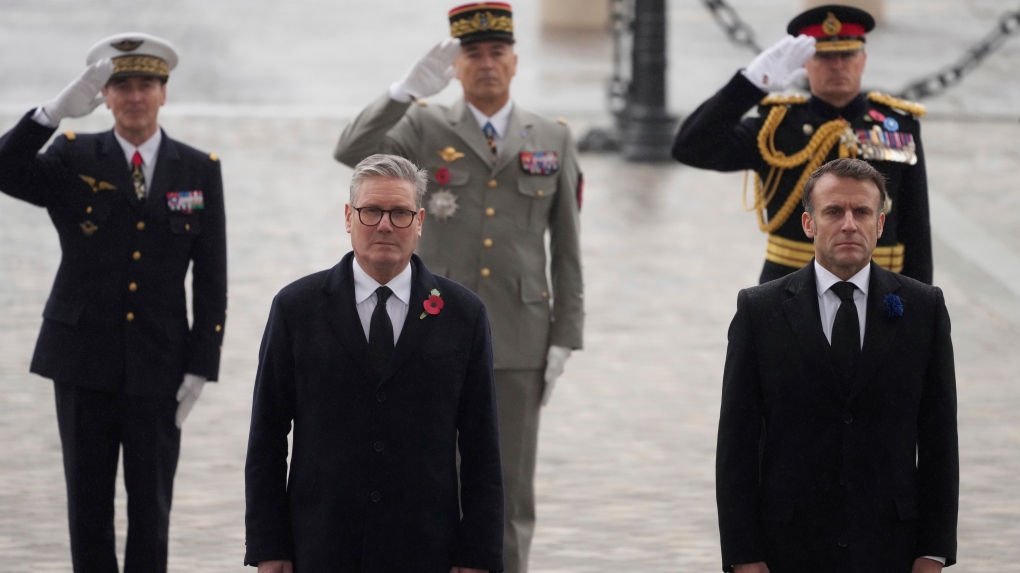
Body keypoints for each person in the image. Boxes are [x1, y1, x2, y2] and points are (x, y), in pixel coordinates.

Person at [333, 3, 584, 570]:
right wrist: (401, 92)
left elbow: (567, 248)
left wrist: (566, 333)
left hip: (519, 338)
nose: (487, 63)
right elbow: (351, 151)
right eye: (473, 54)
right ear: (456, 65)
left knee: (510, 488)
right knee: (421, 479)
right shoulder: (423, 127)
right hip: (430, 332)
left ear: (516, 61)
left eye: (498, 52)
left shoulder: (552, 137)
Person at [0, 32, 227, 572]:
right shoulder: (73, 155)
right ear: (104, 95)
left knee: (152, 506)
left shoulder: (197, 168)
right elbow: (5, 169)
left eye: (145, 83)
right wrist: (50, 113)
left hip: (160, 360)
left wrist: (202, 365)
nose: (133, 96)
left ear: (163, 93)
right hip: (80, 358)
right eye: (120, 85)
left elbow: (212, 277)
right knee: (88, 505)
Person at [243, 154, 504, 572]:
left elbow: (482, 448)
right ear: (349, 217)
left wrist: (477, 556)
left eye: (400, 213)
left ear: (420, 221)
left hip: (425, 547)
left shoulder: (463, 314)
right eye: (371, 211)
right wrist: (269, 548)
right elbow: (267, 438)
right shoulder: (296, 308)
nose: (385, 224)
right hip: (321, 545)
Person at [715, 158, 958, 573]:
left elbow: (938, 439)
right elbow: (737, 443)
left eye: (862, 212)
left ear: (880, 225)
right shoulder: (760, 310)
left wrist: (933, 552)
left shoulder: (923, 308)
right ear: (809, 224)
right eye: (833, 211)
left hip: (891, 548)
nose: (849, 224)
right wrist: (743, 555)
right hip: (788, 547)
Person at [672, 4, 932, 285]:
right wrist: (748, 86)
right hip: (790, 290)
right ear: (805, 63)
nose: (838, 65)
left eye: (847, 54)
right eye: (824, 56)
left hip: (880, 288)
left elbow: (916, 229)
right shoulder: (777, 125)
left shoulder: (897, 125)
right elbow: (690, 147)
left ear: (863, 59)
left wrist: (921, 309)